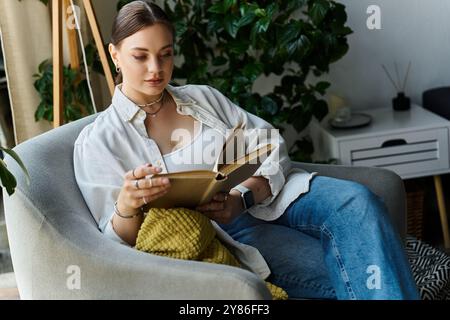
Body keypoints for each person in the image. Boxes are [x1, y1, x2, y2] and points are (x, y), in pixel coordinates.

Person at [73, 0, 420, 300]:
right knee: (363, 267)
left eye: (165, 55)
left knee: (357, 200)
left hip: (268, 196)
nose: (156, 69)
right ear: (114, 54)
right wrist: (127, 205)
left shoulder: (202, 98)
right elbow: (112, 243)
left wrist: (243, 197)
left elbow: (268, 145)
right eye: (141, 56)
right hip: (229, 235)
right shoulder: (99, 141)